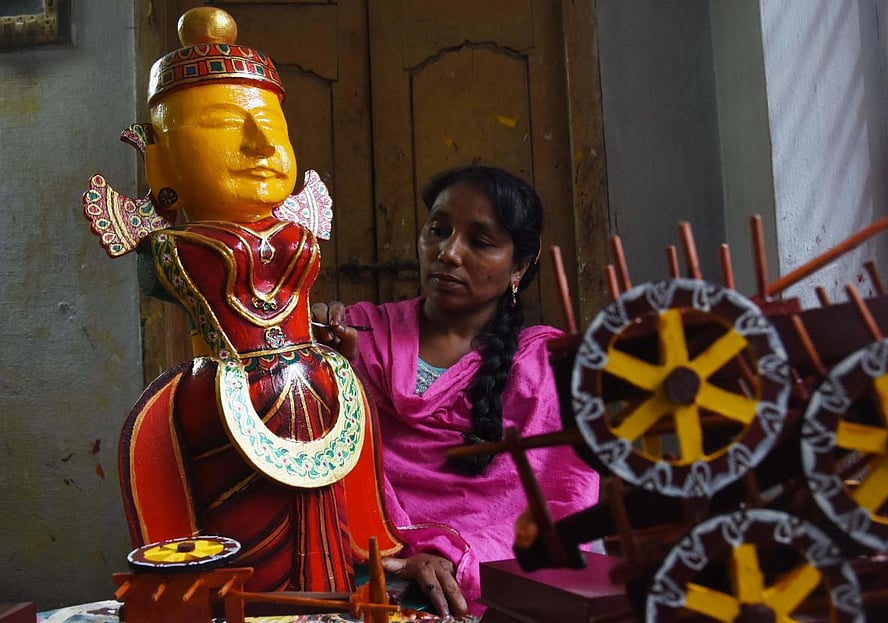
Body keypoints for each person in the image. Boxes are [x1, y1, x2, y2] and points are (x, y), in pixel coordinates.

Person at [82, 6, 402, 595]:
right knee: (240, 561)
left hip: (314, 387)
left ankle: (330, 589)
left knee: (326, 538)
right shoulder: (178, 247)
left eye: (273, 128)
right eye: (224, 124)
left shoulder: (295, 235)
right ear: (158, 157)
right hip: (226, 398)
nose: (259, 144)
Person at [312, 165, 600, 617]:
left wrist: (455, 556)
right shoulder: (356, 333)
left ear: (520, 266)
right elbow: (320, 472)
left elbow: (566, 504)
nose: (447, 253)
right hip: (370, 569)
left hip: (497, 581)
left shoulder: (545, 365)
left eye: (480, 242)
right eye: (437, 230)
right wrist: (325, 366)